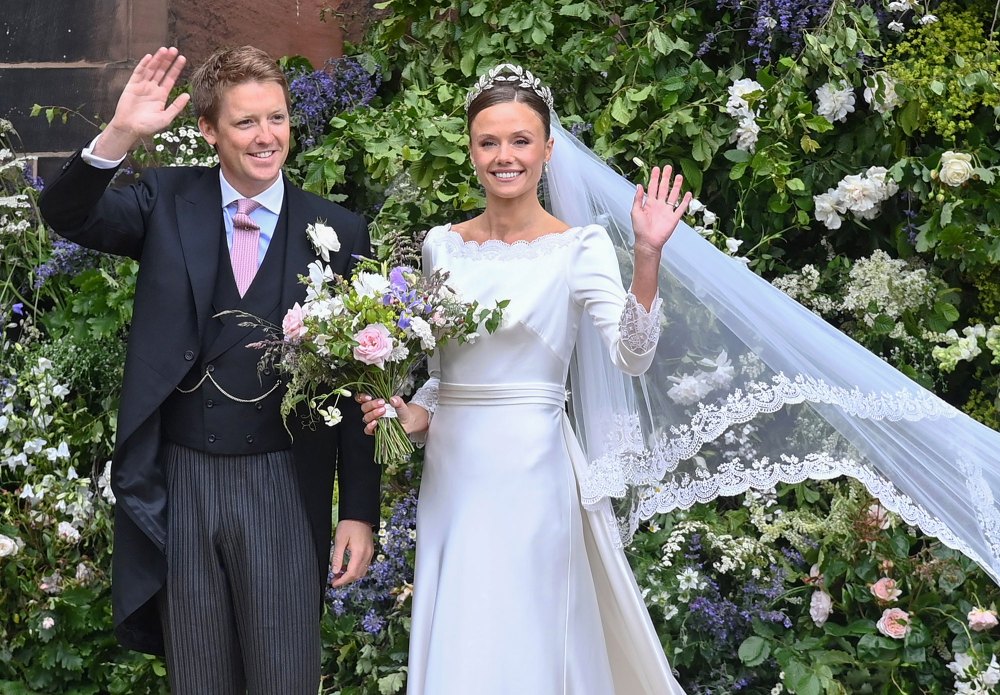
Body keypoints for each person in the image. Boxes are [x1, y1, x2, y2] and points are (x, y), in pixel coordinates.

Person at [38, 46, 380, 693]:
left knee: (285, 678)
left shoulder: (336, 228)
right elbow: (67, 213)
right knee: (198, 678)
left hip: (282, 479)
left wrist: (358, 510)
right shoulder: (167, 201)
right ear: (208, 129)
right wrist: (121, 134)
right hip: (185, 478)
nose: (266, 137)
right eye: (246, 122)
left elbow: (359, 379)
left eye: (276, 118)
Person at [361, 64, 691, 693]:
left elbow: (633, 356)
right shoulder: (441, 246)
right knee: (461, 623)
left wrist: (646, 256)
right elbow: (444, 373)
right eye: (489, 141)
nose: (504, 155)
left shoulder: (579, 246)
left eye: (520, 140)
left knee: (527, 628)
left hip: (533, 471)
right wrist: (412, 413)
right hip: (454, 475)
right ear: (470, 148)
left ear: (547, 149)